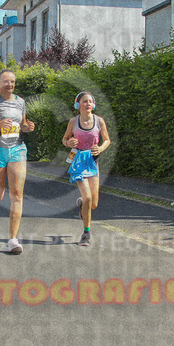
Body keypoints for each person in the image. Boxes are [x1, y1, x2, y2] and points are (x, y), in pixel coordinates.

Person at [0, 69, 35, 254]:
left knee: (17, 194)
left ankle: (12, 240)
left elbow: (22, 125)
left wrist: (27, 127)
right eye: (6, 81)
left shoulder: (20, 102)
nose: (10, 84)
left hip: (17, 149)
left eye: (12, 81)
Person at [61, 91, 110, 246]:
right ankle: (86, 233)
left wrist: (100, 148)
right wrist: (68, 143)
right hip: (78, 160)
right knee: (88, 197)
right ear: (78, 104)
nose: (88, 104)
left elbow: (107, 140)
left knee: (93, 203)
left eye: (90, 101)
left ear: (93, 104)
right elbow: (65, 139)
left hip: (93, 161)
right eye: (84, 101)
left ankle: (83, 204)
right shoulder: (73, 122)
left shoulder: (99, 121)